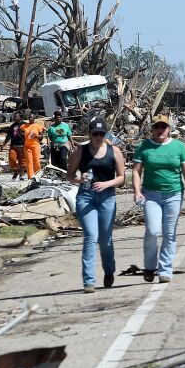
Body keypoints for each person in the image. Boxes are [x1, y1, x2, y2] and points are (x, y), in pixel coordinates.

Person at [132, 114, 185, 283]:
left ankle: (165, 269)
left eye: (164, 127)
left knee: (169, 233)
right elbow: (136, 171)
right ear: (152, 129)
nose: (160, 130)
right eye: (157, 127)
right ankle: (150, 267)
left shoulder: (179, 147)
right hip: (150, 195)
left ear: (169, 129)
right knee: (152, 231)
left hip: (174, 195)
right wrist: (137, 191)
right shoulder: (143, 146)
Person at [67, 117, 126, 293]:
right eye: (95, 134)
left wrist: (107, 184)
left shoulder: (114, 151)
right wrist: (79, 178)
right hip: (86, 197)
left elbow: (122, 178)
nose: (98, 137)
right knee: (91, 237)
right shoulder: (80, 151)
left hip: (107, 197)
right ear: (90, 134)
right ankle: (89, 281)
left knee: (105, 240)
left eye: (102, 134)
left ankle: (109, 271)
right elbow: (69, 175)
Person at [0, 112, 27, 180]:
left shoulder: (24, 125)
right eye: (14, 116)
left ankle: (21, 175)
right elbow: (9, 136)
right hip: (13, 146)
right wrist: (3, 144)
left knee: (22, 161)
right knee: (12, 159)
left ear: (20, 117)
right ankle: (16, 171)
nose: (15, 117)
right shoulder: (12, 126)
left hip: (21, 146)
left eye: (16, 116)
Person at [22, 112, 45, 179]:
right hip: (27, 146)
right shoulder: (25, 126)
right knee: (29, 161)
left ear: (34, 118)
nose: (30, 118)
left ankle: (38, 175)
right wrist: (23, 136)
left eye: (31, 117)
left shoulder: (38, 126)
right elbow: (19, 131)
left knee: (36, 161)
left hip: (35, 146)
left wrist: (36, 136)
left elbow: (41, 136)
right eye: (29, 117)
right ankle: (30, 177)